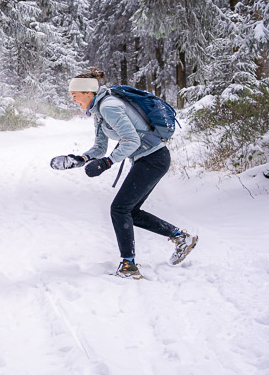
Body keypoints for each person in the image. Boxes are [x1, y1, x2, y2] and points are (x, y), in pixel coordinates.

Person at [51, 68, 197, 280]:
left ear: (88, 93)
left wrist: (107, 163)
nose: (73, 100)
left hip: (153, 159)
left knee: (119, 209)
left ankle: (129, 266)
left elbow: (132, 141)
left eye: (75, 96)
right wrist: (81, 159)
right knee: (130, 211)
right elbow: (100, 147)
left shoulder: (109, 106)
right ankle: (180, 237)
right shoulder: (99, 110)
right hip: (146, 159)